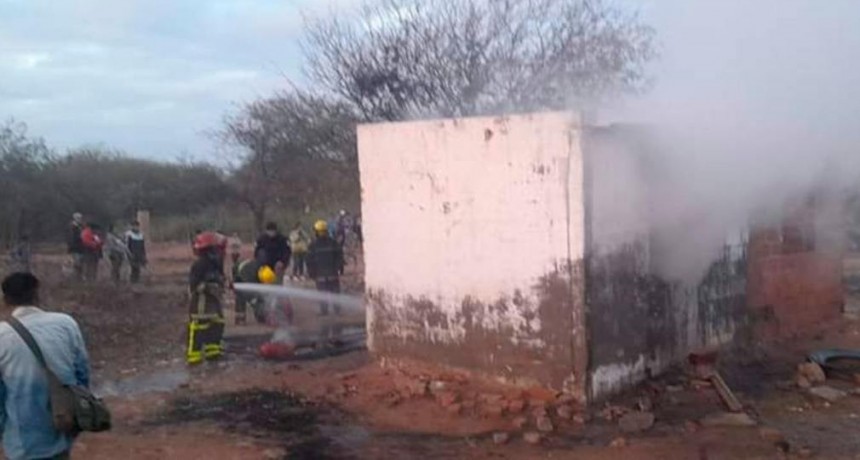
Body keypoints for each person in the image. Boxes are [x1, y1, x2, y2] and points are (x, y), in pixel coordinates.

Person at [0, 272, 90, 460]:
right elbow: (82, 375)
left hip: (22, 440)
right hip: (62, 426)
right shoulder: (66, 324)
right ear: (36, 295)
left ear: (5, 299)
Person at [187, 232, 226, 365]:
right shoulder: (199, 264)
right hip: (201, 301)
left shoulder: (215, 262)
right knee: (199, 327)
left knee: (217, 323)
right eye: (214, 248)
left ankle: (212, 352)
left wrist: (221, 283)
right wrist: (207, 287)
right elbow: (193, 285)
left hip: (214, 300)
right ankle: (194, 356)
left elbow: (219, 276)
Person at [307, 220, 345, 316]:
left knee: (322, 293)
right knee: (335, 292)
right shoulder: (333, 242)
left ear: (316, 232)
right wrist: (339, 268)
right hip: (332, 273)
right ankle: (337, 310)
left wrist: (311, 272)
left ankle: (324, 311)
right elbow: (340, 257)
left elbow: (309, 260)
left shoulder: (313, 245)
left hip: (320, 274)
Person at [232, 248, 277, 325]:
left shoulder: (265, 270)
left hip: (251, 272)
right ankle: (240, 319)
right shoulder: (251, 276)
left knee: (259, 296)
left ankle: (260, 316)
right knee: (241, 295)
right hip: (239, 275)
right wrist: (255, 301)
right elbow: (251, 295)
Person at [67, 213, 85, 280]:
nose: (80, 219)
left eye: (80, 218)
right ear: (74, 218)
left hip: (81, 248)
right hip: (75, 248)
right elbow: (71, 238)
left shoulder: (81, 227)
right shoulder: (72, 227)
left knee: (81, 263)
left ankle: (79, 277)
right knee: (76, 263)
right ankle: (75, 277)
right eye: (78, 218)